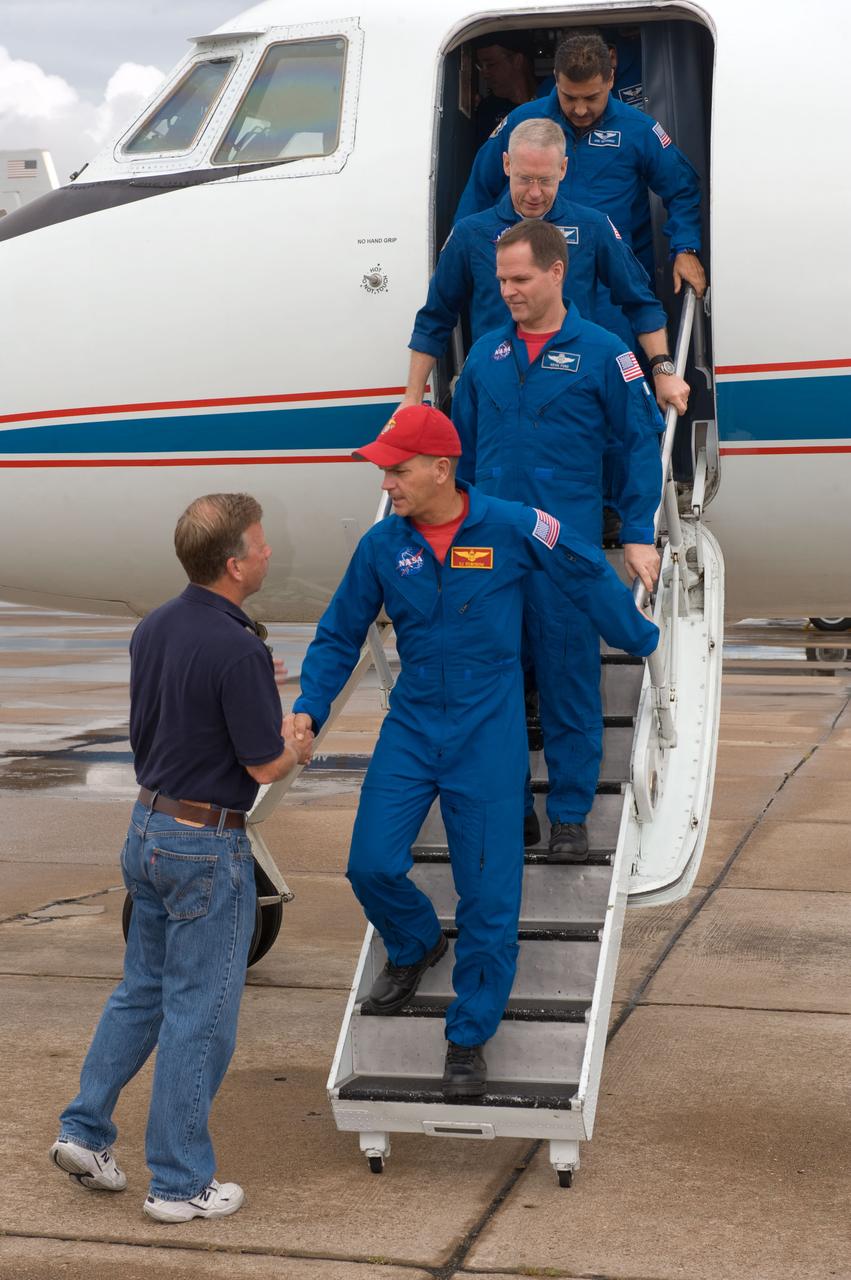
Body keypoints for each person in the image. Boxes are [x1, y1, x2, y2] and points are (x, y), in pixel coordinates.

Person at [286, 405, 658, 1099]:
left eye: (395, 470)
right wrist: (309, 704)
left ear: (440, 469)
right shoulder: (380, 546)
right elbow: (340, 632)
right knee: (369, 864)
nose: (386, 483)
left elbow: (582, 570)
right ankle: (414, 943)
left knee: (488, 900)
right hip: (413, 724)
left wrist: (639, 638)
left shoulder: (514, 525)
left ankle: (467, 1037)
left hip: (488, 733)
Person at [50, 493, 313, 1224]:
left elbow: (176, 708)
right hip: (204, 845)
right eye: (260, 546)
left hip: (147, 828)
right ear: (234, 564)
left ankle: (84, 1131)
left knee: (141, 992)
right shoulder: (236, 647)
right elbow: (263, 765)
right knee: (201, 1015)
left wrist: (255, 683)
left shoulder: (158, 626)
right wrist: (295, 741)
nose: (267, 553)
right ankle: (178, 1183)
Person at [452, 219, 662, 860]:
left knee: (570, 685)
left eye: (519, 279)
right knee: (494, 689)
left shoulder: (607, 353)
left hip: (562, 555)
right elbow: (458, 459)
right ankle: (512, 811)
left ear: (556, 272)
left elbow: (640, 443)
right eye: (502, 280)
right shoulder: (484, 355)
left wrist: (636, 532)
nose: (508, 291)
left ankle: (570, 815)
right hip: (487, 555)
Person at [404, 118, 689, 417]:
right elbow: (435, 318)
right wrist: (412, 399)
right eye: (525, 179)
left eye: (546, 180)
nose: (535, 194)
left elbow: (640, 303)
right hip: (498, 396)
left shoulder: (592, 227)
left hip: (575, 394)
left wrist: (663, 369)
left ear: (563, 169)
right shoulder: (471, 234)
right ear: (506, 164)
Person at [455, 29, 706, 298]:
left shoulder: (638, 129)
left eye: (591, 98)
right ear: (555, 80)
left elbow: (682, 188)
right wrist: (464, 259)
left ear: (610, 79)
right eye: (570, 97)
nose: (580, 110)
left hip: (611, 288)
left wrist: (686, 249)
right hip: (532, 284)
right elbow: (478, 192)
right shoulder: (522, 121)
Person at [473, 34, 541, 145]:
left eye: (490, 64)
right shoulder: (487, 110)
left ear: (517, 61)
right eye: (480, 66)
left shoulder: (552, 97)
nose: (484, 73)